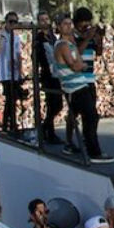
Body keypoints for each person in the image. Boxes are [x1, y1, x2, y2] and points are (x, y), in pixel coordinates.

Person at [53, 8, 112, 162]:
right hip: (76, 80)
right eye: (82, 23)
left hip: (88, 78)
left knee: (90, 115)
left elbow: (98, 53)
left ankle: (87, 140)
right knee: (75, 114)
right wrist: (87, 38)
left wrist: (99, 39)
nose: (85, 26)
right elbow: (76, 54)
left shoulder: (81, 37)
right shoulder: (72, 38)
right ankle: (70, 142)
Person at [33, 11, 64, 145]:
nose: (45, 21)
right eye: (42, 20)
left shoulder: (52, 36)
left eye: (46, 19)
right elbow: (36, 57)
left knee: (57, 104)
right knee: (53, 103)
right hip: (47, 75)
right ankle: (48, 131)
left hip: (56, 73)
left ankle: (46, 127)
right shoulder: (39, 38)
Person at [0, 11, 25, 137]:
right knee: (10, 99)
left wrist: (20, 70)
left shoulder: (16, 37)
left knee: (14, 99)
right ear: (6, 22)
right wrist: (1, 35)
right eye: (11, 22)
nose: (13, 24)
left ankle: (12, 123)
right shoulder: (0, 36)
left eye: (15, 22)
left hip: (15, 72)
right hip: (5, 73)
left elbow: (18, 54)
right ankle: (8, 124)